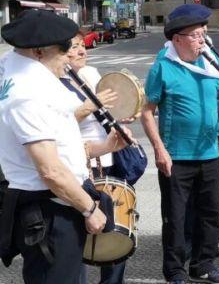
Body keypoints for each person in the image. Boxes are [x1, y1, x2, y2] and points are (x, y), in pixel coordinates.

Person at [0, 9, 129, 283]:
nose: (70, 57)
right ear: (38, 52)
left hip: (59, 202)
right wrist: (89, 209)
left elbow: (60, 145)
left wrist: (104, 147)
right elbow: (50, 170)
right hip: (52, 210)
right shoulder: (28, 94)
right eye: (65, 50)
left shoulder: (28, 78)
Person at [141, 5, 219, 284]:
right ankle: (175, 270)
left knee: (210, 214)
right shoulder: (164, 67)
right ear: (177, 39)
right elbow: (146, 112)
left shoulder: (210, 62)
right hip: (176, 156)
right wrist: (159, 149)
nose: (202, 40)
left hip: (209, 153)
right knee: (176, 218)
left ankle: (203, 264)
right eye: (195, 35)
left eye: (203, 34)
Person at [63, 32, 136, 284]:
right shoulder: (55, 84)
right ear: (61, 52)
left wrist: (123, 115)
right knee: (82, 232)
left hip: (109, 161)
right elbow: (57, 125)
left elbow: (106, 112)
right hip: (81, 166)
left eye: (83, 46)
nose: (83, 51)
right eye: (75, 47)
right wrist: (90, 106)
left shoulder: (91, 75)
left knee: (117, 226)